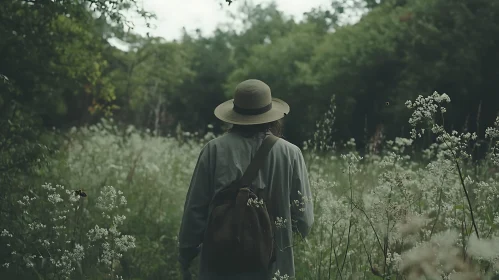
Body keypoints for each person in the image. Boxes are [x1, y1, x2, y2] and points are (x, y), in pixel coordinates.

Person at [178, 79, 314, 280]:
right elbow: (304, 220)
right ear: (272, 116)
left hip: (219, 265)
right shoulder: (291, 154)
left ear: (235, 114)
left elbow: (195, 210)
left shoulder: (213, 150)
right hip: (274, 267)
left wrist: (186, 254)